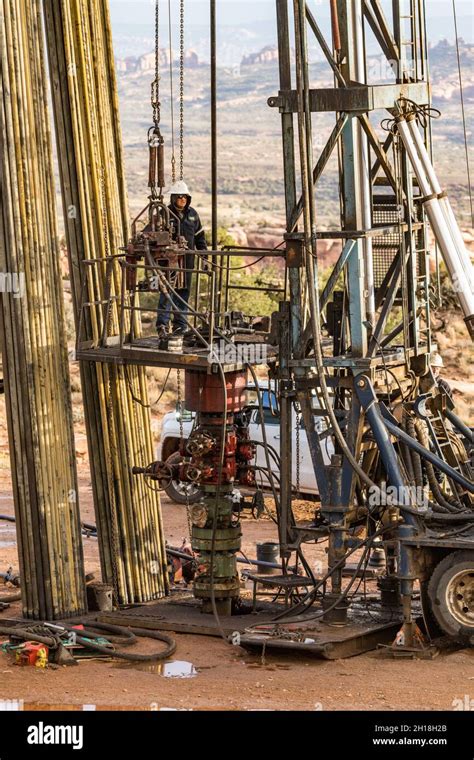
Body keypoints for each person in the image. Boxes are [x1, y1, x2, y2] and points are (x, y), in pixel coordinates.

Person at [156, 180, 207, 336]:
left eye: (185, 196)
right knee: (167, 292)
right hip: (168, 262)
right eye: (179, 196)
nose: (182, 199)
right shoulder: (164, 214)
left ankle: (180, 326)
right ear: (173, 198)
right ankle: (162, 326)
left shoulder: (193, 215)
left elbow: (200, 238)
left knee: (183, 293)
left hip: (187, 262)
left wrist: (204, 258)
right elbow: (155, 234)